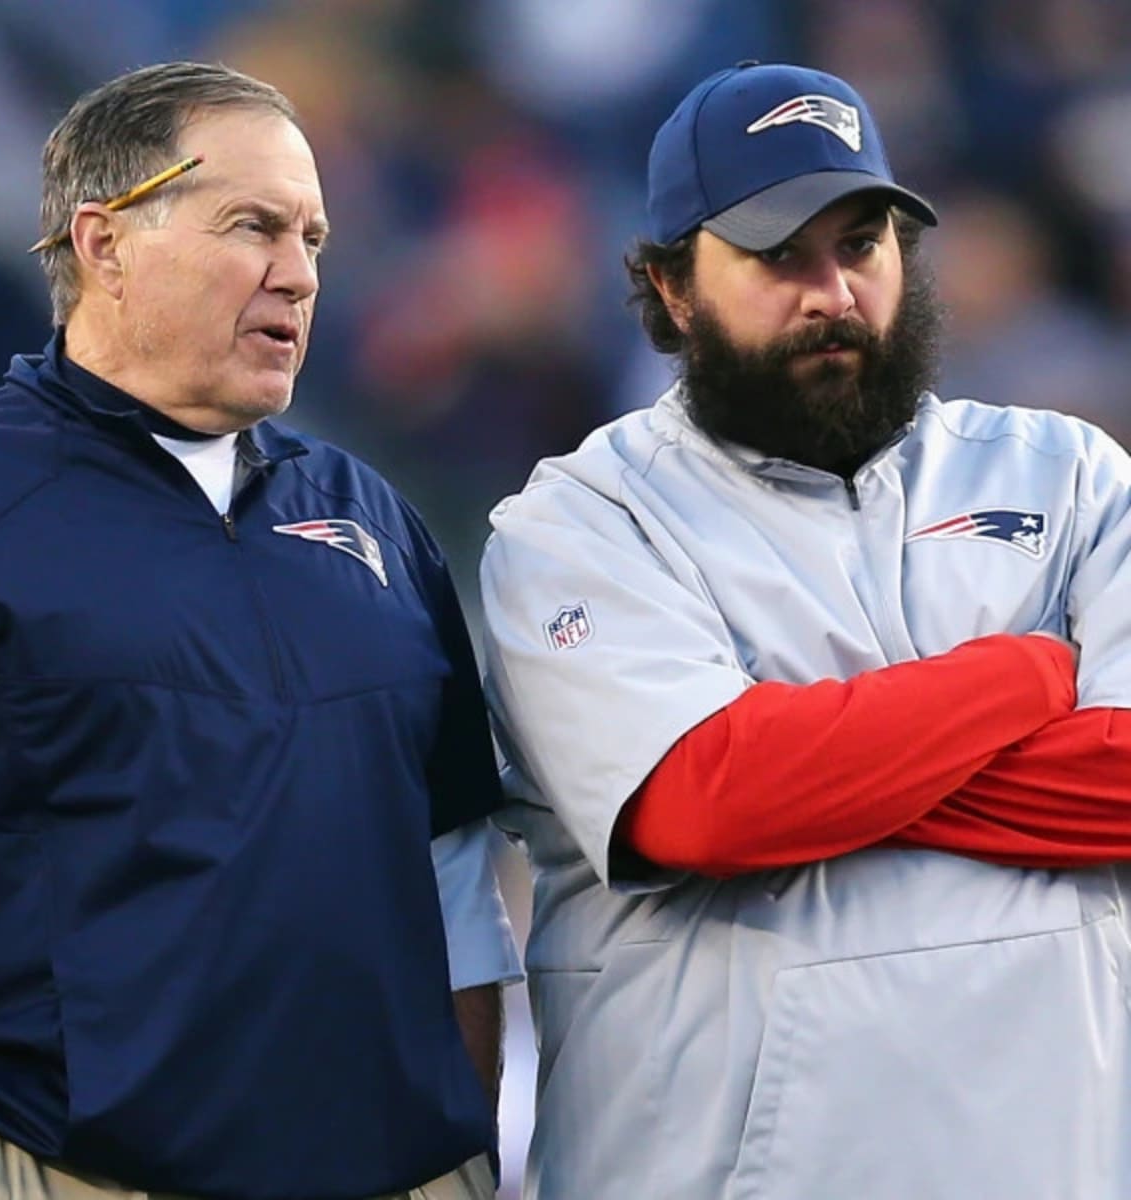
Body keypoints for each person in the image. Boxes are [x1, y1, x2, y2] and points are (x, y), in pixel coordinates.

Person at [479, 60, 1131, 1200]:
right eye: (779, 253)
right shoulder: (581, 522)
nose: (831, 290)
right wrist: (1024, 675)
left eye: (863, 242)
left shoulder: (1068, 473)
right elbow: (705, 800)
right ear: (672, 287)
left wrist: (820, 770)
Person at [0, 61, 520, 1200]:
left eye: (314, 238)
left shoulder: (373, 516)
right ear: (104, 244)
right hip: (69, 1170)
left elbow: (452, 866)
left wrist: (464, 1145)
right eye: (252, 226)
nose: (298, 276)